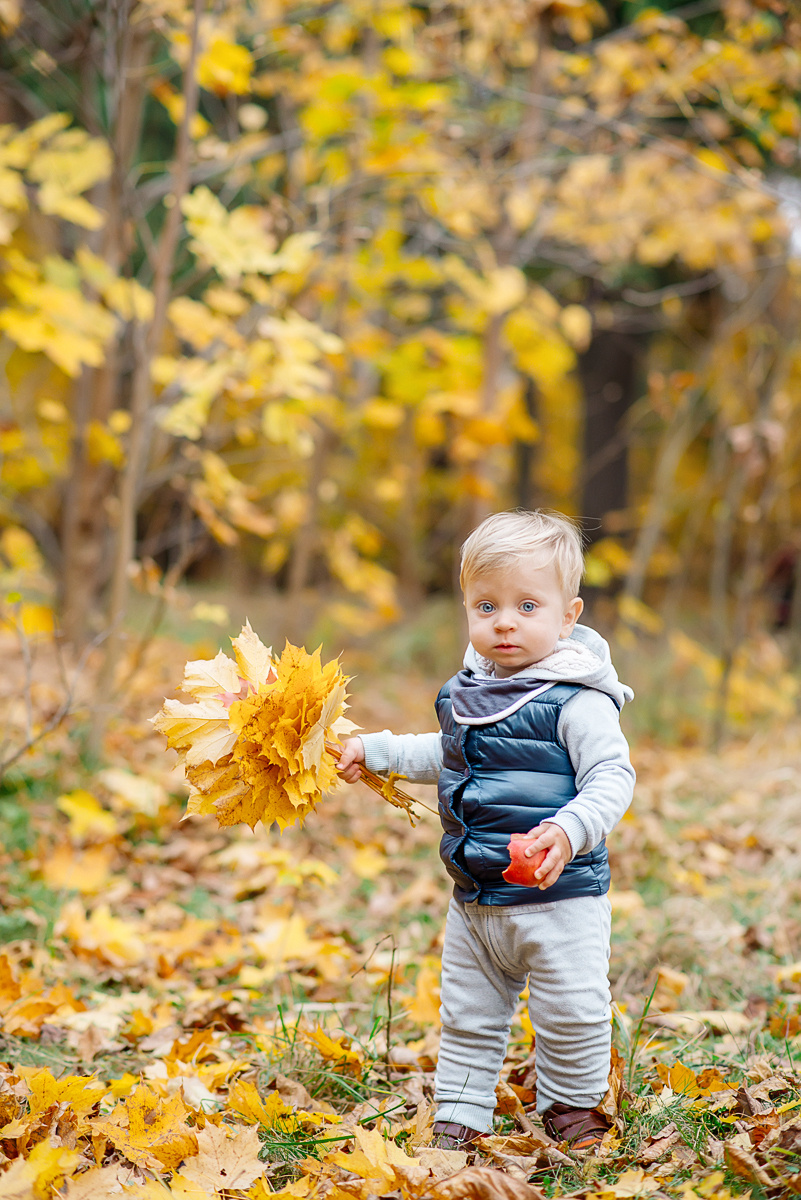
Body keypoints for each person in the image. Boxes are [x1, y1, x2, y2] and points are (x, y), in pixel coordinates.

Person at [337, 510, 635, 1154]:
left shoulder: (576, 700)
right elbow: (443, 753)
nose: (505, 621)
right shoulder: (469, 692)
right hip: (475, 897)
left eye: (528, 605)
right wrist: (375, 750)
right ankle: (463, 1111)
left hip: (561, 897)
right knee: (469, 1014)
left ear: (567, 615)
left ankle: (573, 1106)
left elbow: (613, 777)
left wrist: (568, 829)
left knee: (572, 1012)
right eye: (487, 604)